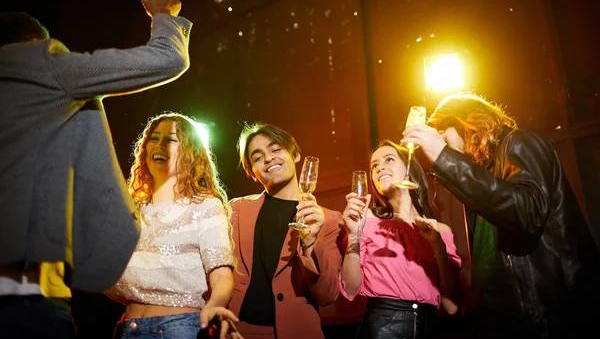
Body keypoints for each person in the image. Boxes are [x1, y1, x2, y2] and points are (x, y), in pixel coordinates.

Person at [0, 0, 191, 338]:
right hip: (25, 296)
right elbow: (167, 59)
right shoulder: (41, 63)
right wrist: (163, 16)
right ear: (32, 44)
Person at [402, 93, 600, 338]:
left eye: (443, 133)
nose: (442, 145)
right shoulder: (480, 180)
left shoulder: (520, 143)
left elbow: (526, 215)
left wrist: (444, 156)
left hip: (550, 316)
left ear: (467, 123)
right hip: (506, 322)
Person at [105, 112, 242, 338]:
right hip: (127, 329)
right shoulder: (131, 210)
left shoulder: (205, 205)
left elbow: (221, 274)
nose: (160, 145)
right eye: (154, 138)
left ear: (190, 152)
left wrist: (216, 305)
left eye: (170, 139)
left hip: (178, 327)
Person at [228, 122, 344, 338]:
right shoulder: (234, 211)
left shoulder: (329, 219)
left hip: (296, 331)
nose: (269, 158)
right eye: (257, 156)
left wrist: (311, 242)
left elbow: (327, 295)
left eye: (276, 149)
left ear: (295, 154)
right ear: (252, 172)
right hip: (237, 331)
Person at [340, 140, 462, 339]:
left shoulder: (440, 231)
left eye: (389, 159)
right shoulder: (366, 220)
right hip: (381, 328)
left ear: (409, 169)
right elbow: (350, 289)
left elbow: (452, 307)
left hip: (429, 329)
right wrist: (354, 234)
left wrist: (438, 248)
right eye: (374, 166)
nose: (380, 168)